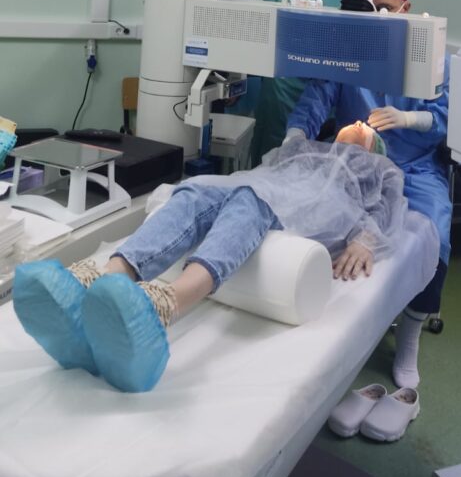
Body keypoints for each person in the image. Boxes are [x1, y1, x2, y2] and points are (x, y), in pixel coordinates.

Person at [13, 128, 410, 394]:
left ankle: (163, 306)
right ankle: (96, 285)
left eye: (369, 129)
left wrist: (366, 240)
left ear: (376, 148)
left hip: (324, 205)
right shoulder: (303, 147)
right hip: (267, 183)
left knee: (251, 201)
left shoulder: (379, 167)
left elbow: (389, 208)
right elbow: (266, 168)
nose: (362, 121)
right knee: (194, 192)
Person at [285, 0, 451, 389]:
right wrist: (295, 136)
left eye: (387, 8)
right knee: (315, 218)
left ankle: (409, 338)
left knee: (436, 231)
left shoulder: (432, 55)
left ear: (406, 9)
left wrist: (411, 118)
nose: (378, 15)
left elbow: (446, 117)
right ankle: (327, 321)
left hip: (414, 165)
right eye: (370, 6)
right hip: (354, 160)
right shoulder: (349, 52)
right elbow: (317, 97)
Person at [251, 0, 358, 164]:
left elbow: (357, 48)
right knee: (272, 154)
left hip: (324, 90)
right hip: (280, 89)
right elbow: (259, 34)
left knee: (317, 158)